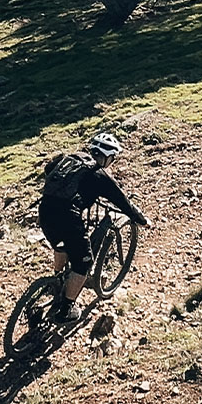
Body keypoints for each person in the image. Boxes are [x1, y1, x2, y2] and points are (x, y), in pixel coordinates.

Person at [38, 132, 151, 323]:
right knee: (83, 263)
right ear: (107, 157)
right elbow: (124, 203)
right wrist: (142, 220)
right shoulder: (99, 175)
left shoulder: (70, 158)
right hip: (67, 216)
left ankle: (56, 280)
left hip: (45, 209)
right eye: (112, 159)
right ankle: (67, 309)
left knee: (62, 244)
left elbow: (49, 169)